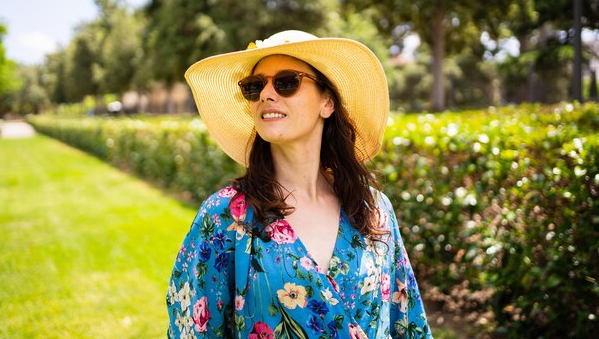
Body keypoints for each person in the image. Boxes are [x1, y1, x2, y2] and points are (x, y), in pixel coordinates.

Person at [167, 30, 433, 339]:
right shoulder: (225, 217)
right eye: (255, 87)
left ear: (327, 102)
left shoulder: (374, 209)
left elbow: (408, 321)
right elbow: (192, 331)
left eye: (286, 82)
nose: (267, 94)